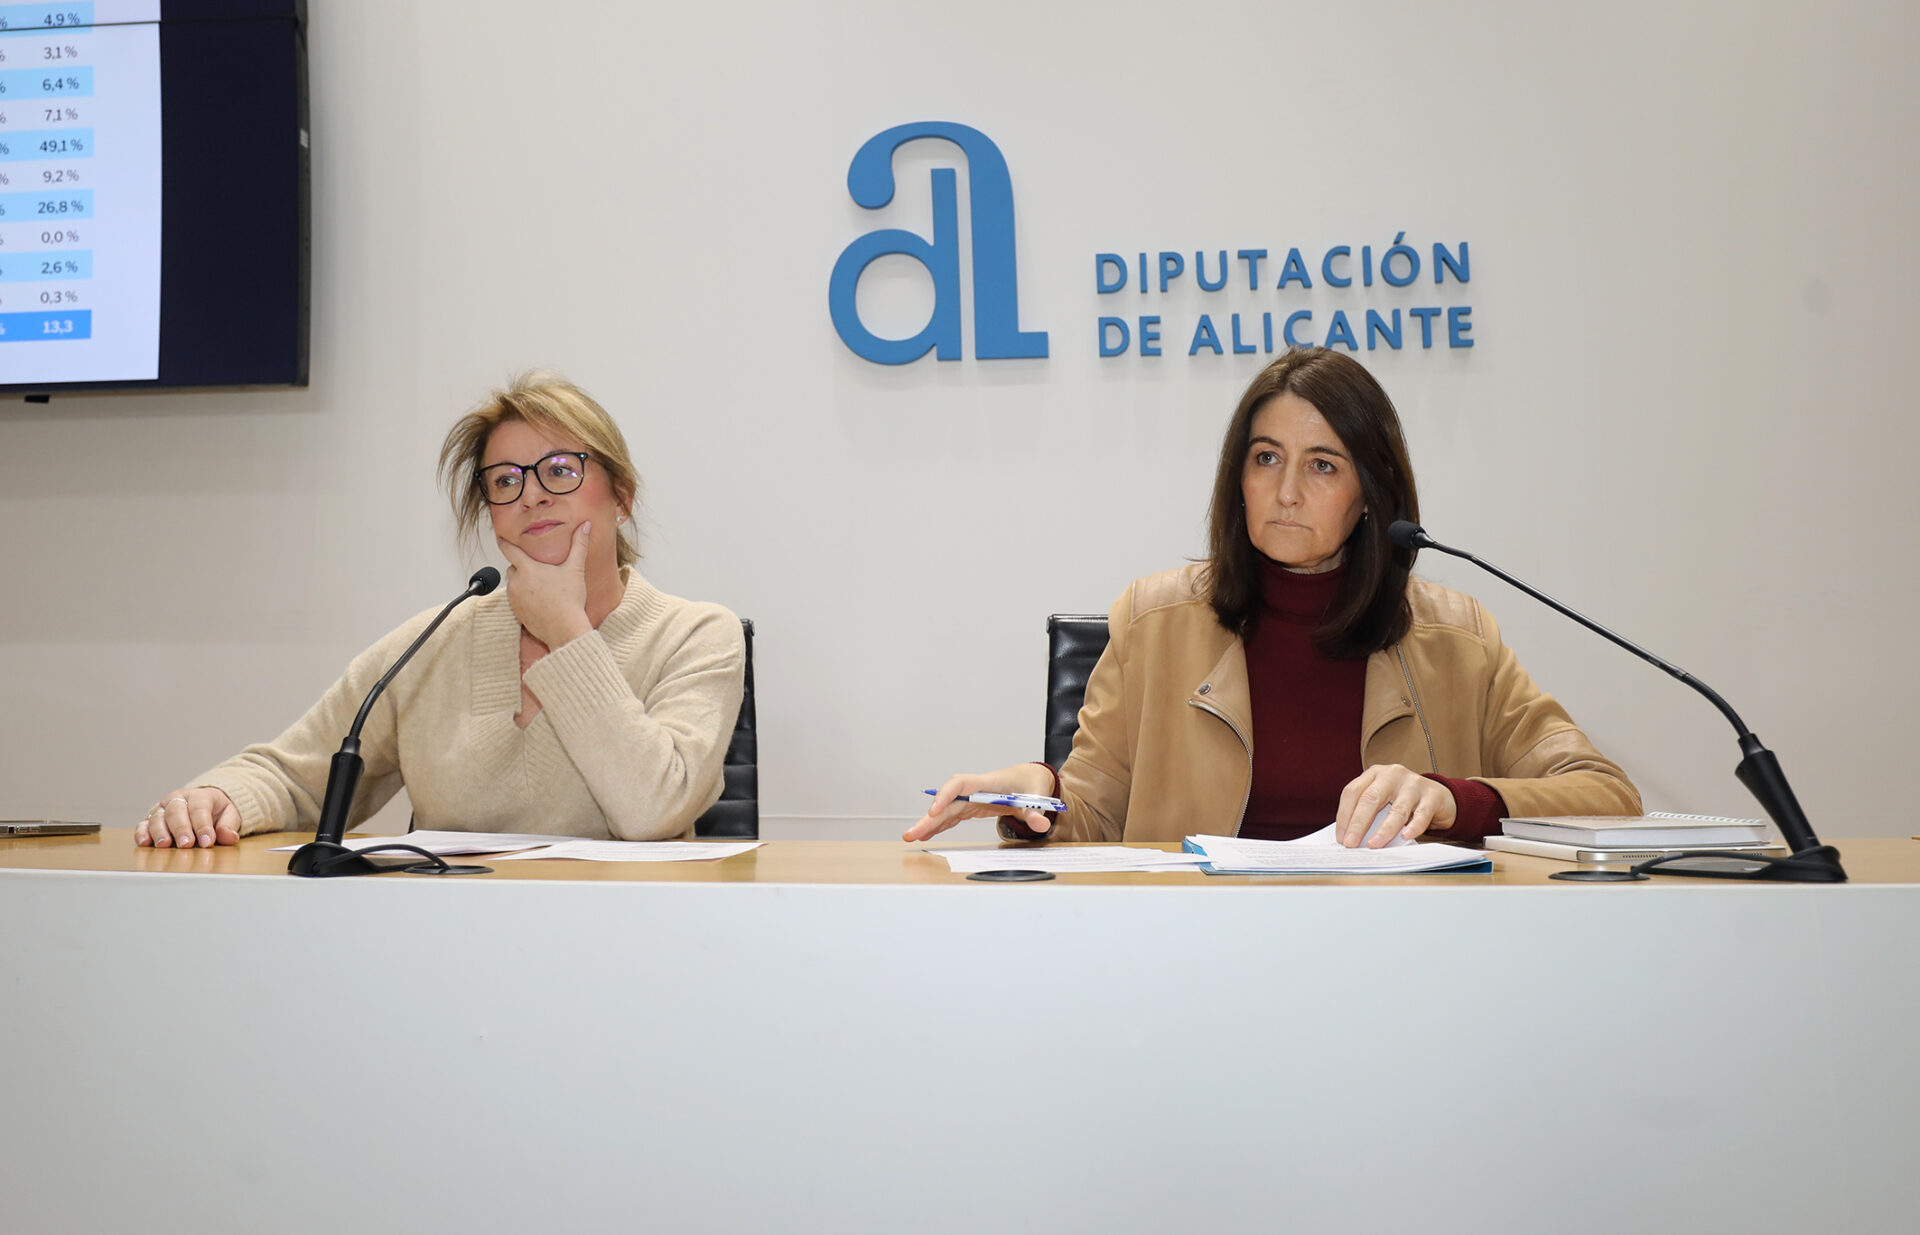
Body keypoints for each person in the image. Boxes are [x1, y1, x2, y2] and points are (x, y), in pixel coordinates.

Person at [906, 347, 1638, 848]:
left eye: (1322, 465)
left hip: (1398, 964)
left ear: (1369, 495)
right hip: (1197, 959)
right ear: (1239, 478)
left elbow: (1606, 795)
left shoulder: (1458, 638)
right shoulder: (1152, 621)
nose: (1286, 491)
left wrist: (1455, 800)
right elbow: (1094, 814)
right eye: (1266, 459)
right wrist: (1035, 793)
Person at [138, 373, 745, 848]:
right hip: (443, 941)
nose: (531, 494)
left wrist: (565, 629)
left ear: (622, 497)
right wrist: (218, 798)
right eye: (504, 481)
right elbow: (298, 775)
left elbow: (651, 811)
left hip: (623, 941)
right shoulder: (435, 641)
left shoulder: (695, 635)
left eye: (560, 471)